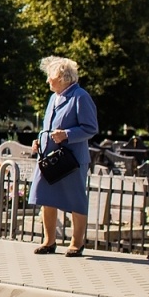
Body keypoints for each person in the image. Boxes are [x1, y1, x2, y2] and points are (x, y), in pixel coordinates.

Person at [29, 56, 97, 256]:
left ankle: (77, 243)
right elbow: (48, 127)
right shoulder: (53, 97)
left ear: (63, 78)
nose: (48, 81)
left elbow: (90, 128)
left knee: (76, 200)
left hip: (71, 160)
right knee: (45, 197)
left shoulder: (80, 96)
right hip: (49, 158)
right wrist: (39, 141)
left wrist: (67, 135)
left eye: (51, 77)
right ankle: (49, 241)